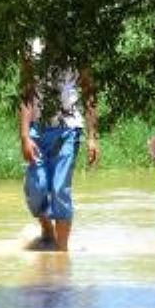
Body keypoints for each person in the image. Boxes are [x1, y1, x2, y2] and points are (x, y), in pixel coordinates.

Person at [18, 37, 100, 253]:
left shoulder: (78, 48)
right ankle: (47, 229)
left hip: (69, 128)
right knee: (37, 187)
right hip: (37, 128)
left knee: (59, 188)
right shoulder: (31, 47)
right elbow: (26, 92)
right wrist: (25, 136)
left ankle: (62, 254)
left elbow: (89, 92)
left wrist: (92, 137)